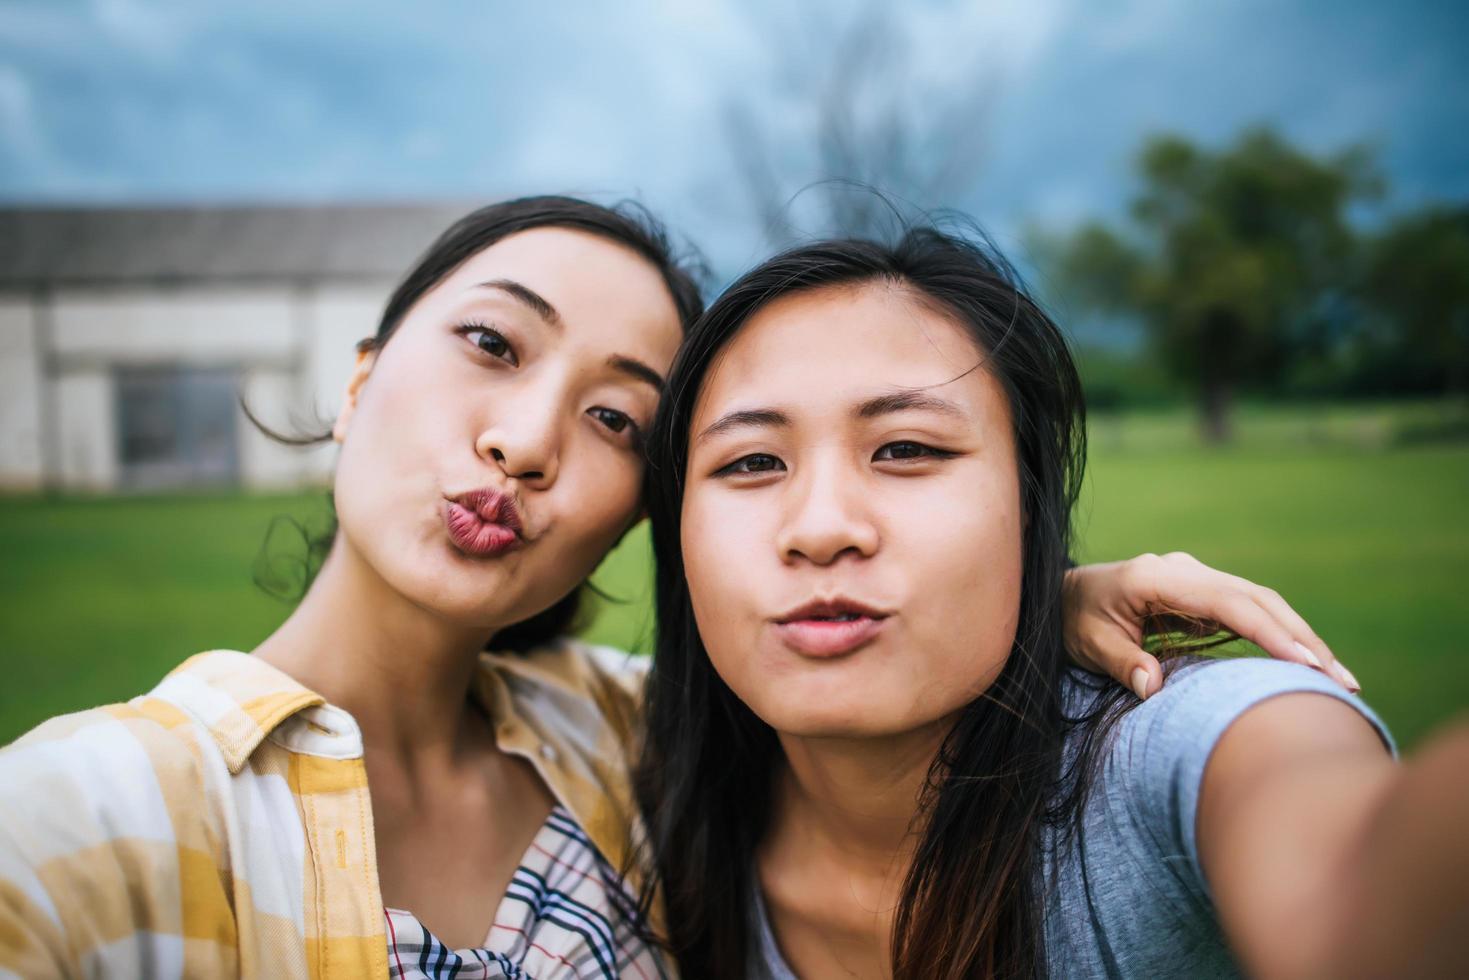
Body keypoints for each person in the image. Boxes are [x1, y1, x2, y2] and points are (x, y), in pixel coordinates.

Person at [0, 199, 1356, 980]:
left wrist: (1027, 596)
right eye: (490, 342)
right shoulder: (95, 805)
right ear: (359, 380)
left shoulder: (632, 742)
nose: (527, 440)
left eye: (615, 422)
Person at [633, 227, 1469, 978]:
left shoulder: (1168, 752)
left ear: (1031, 511)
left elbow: (1354, 890)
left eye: (905, 448)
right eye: (750, 463)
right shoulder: (625, 780)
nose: (819, 529)